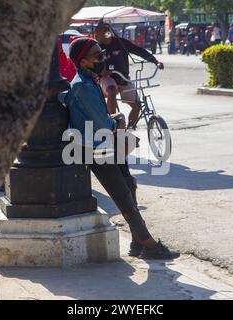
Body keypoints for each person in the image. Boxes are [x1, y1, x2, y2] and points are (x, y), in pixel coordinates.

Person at [59, 37, 180, 260]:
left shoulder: (90, 80)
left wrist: (113, 119)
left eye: (102, 54)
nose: (103, 58)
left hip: (104, 142)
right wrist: (117, 120)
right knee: (122, 195)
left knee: (129, 185)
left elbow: (100, 118)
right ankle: (149, 244)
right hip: (93, 148)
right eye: (98, 56)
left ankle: (137, 242)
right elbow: (103, 123)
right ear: (83, 61)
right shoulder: (83, 86)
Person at [94, 19, 164, 129]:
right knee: (111, 91)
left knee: (137, 105)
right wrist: (101, 72)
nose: (97, 34)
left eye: (100, 31)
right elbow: (92, 64)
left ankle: (129, 129)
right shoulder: (96, 47)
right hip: (107, 79)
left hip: (124, 79)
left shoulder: (120, 42)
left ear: (108, 30)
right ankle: (113, 126)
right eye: (97, 31)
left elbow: (139, 51)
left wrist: (156, 61)